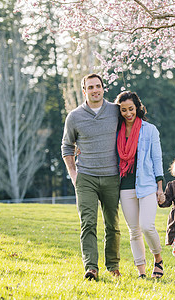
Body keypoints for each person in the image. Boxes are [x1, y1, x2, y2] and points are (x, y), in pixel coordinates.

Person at [61, 73, 121, 281]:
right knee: (88, 223)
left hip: (112, 176)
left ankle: (113, 265)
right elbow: (66, 146)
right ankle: (91, 267)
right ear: (84, 91)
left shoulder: (115, 111)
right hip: (85, 177)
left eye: (98, 86)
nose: (95, 90)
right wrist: (73, 174)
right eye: (90, 87)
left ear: (103, 88)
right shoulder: (75, 116)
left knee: (112, 224)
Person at [115, 91, 165, 279]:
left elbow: (157, 158)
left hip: (147, 184)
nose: (128, 113)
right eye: (124, 110)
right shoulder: (117, 130)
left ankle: (158, 259)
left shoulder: (149, 129)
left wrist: (160, 188)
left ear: (137, 107)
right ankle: (142, 272)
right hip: (125, 186)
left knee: (146, 226)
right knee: (134, 231)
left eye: (131, 109)